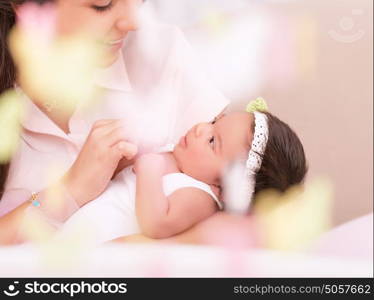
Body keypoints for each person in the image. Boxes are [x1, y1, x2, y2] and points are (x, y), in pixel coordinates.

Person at [0, 0, 229, 244]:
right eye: (102, 5)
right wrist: (70, 189)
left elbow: (241, 212)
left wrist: (122, 253)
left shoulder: (161, 54)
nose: (132, 22)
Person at [59, 101, 308, 244]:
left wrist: (149, 171)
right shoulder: (177, 154)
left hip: (97, 259)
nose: (200, 129)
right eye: (213, 123)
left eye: (212, 141)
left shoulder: (199, 196)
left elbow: (156, 225)